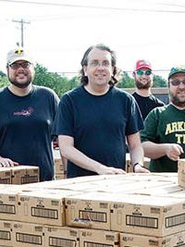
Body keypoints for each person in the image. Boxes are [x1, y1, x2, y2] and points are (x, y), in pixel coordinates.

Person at [56, 43, 145, 177]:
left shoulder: (126, 100)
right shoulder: (69, 101)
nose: (100, 68)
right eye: (94, 63)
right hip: (80, 184)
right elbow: (66, 148)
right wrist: (99, 168)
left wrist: (138, 165)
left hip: (116, 181)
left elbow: (135, 146)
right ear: (85, 69)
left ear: (113, 69)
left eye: (105, 63)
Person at [0, 48, 59, 181]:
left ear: (33, 68)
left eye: (25, 65)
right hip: (6, 182)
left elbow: (64, 134)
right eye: (15, 65)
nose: (20, 69)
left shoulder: (48, 97)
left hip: (43, 182)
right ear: (7, 69)